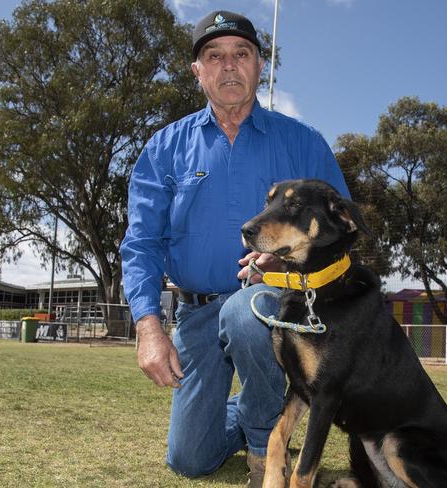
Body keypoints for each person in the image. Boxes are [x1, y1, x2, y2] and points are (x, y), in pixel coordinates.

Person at [120, 9, 350, 486]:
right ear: (197, 70)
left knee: (245, 312)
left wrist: (285, 258)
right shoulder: (164, 148)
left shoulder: (303, 143)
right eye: (214, 56)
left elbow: (341, 230)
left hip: (277, 302)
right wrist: (148, 327)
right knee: (189, 459)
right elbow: (140, 243)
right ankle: (248, 415)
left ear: (259, 65)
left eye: (240, 54)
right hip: (196, 313)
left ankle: (269, 447)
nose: (229, 66)